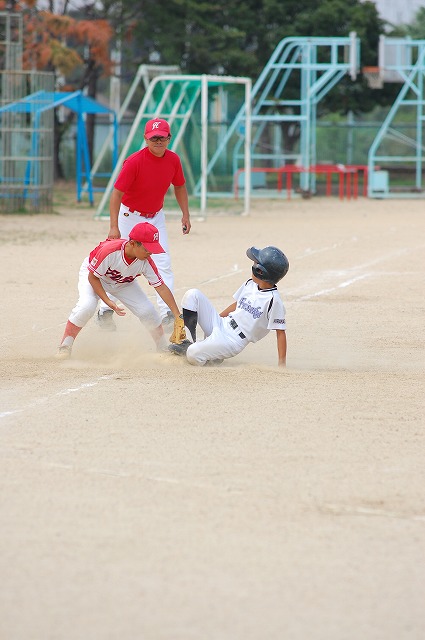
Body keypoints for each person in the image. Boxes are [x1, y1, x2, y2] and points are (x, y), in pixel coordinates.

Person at [97, 117, 191, 331]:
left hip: (155, 216)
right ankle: (104, 309)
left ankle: (167, 313)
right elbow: (117, 194)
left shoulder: (173, 160)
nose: (158, 141)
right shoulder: (134, 161)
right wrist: (114, 226)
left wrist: (185, 214)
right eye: (153, 138)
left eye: (162, 137)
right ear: (146, 139)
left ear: (169, 138)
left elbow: (180, 187)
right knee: (120, 262)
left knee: (162, 261)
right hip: (130, 216)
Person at [55, 222, 185, 360]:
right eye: (147, 248)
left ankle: (162, 347)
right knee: (86, 306)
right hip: (96, 276)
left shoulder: (146, 261)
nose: (150, 252)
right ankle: (65, 346)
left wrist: (177, 315)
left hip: (124, 282)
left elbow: (161, 287)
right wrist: (107, 301)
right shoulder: (110, 252)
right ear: (134, 243)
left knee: (147, 311)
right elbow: (93, 278)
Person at [168, 245, 289, 367]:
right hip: (223, 324)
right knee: (192, 294)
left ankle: (206, 355)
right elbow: (237, 305)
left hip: (233, 341)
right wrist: (215, 320)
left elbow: (280, 332)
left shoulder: (273, 300)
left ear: (260, 271)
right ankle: (190, 342)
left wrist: (282, 365)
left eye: (255, 263)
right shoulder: (250, 284)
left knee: (193, 354)